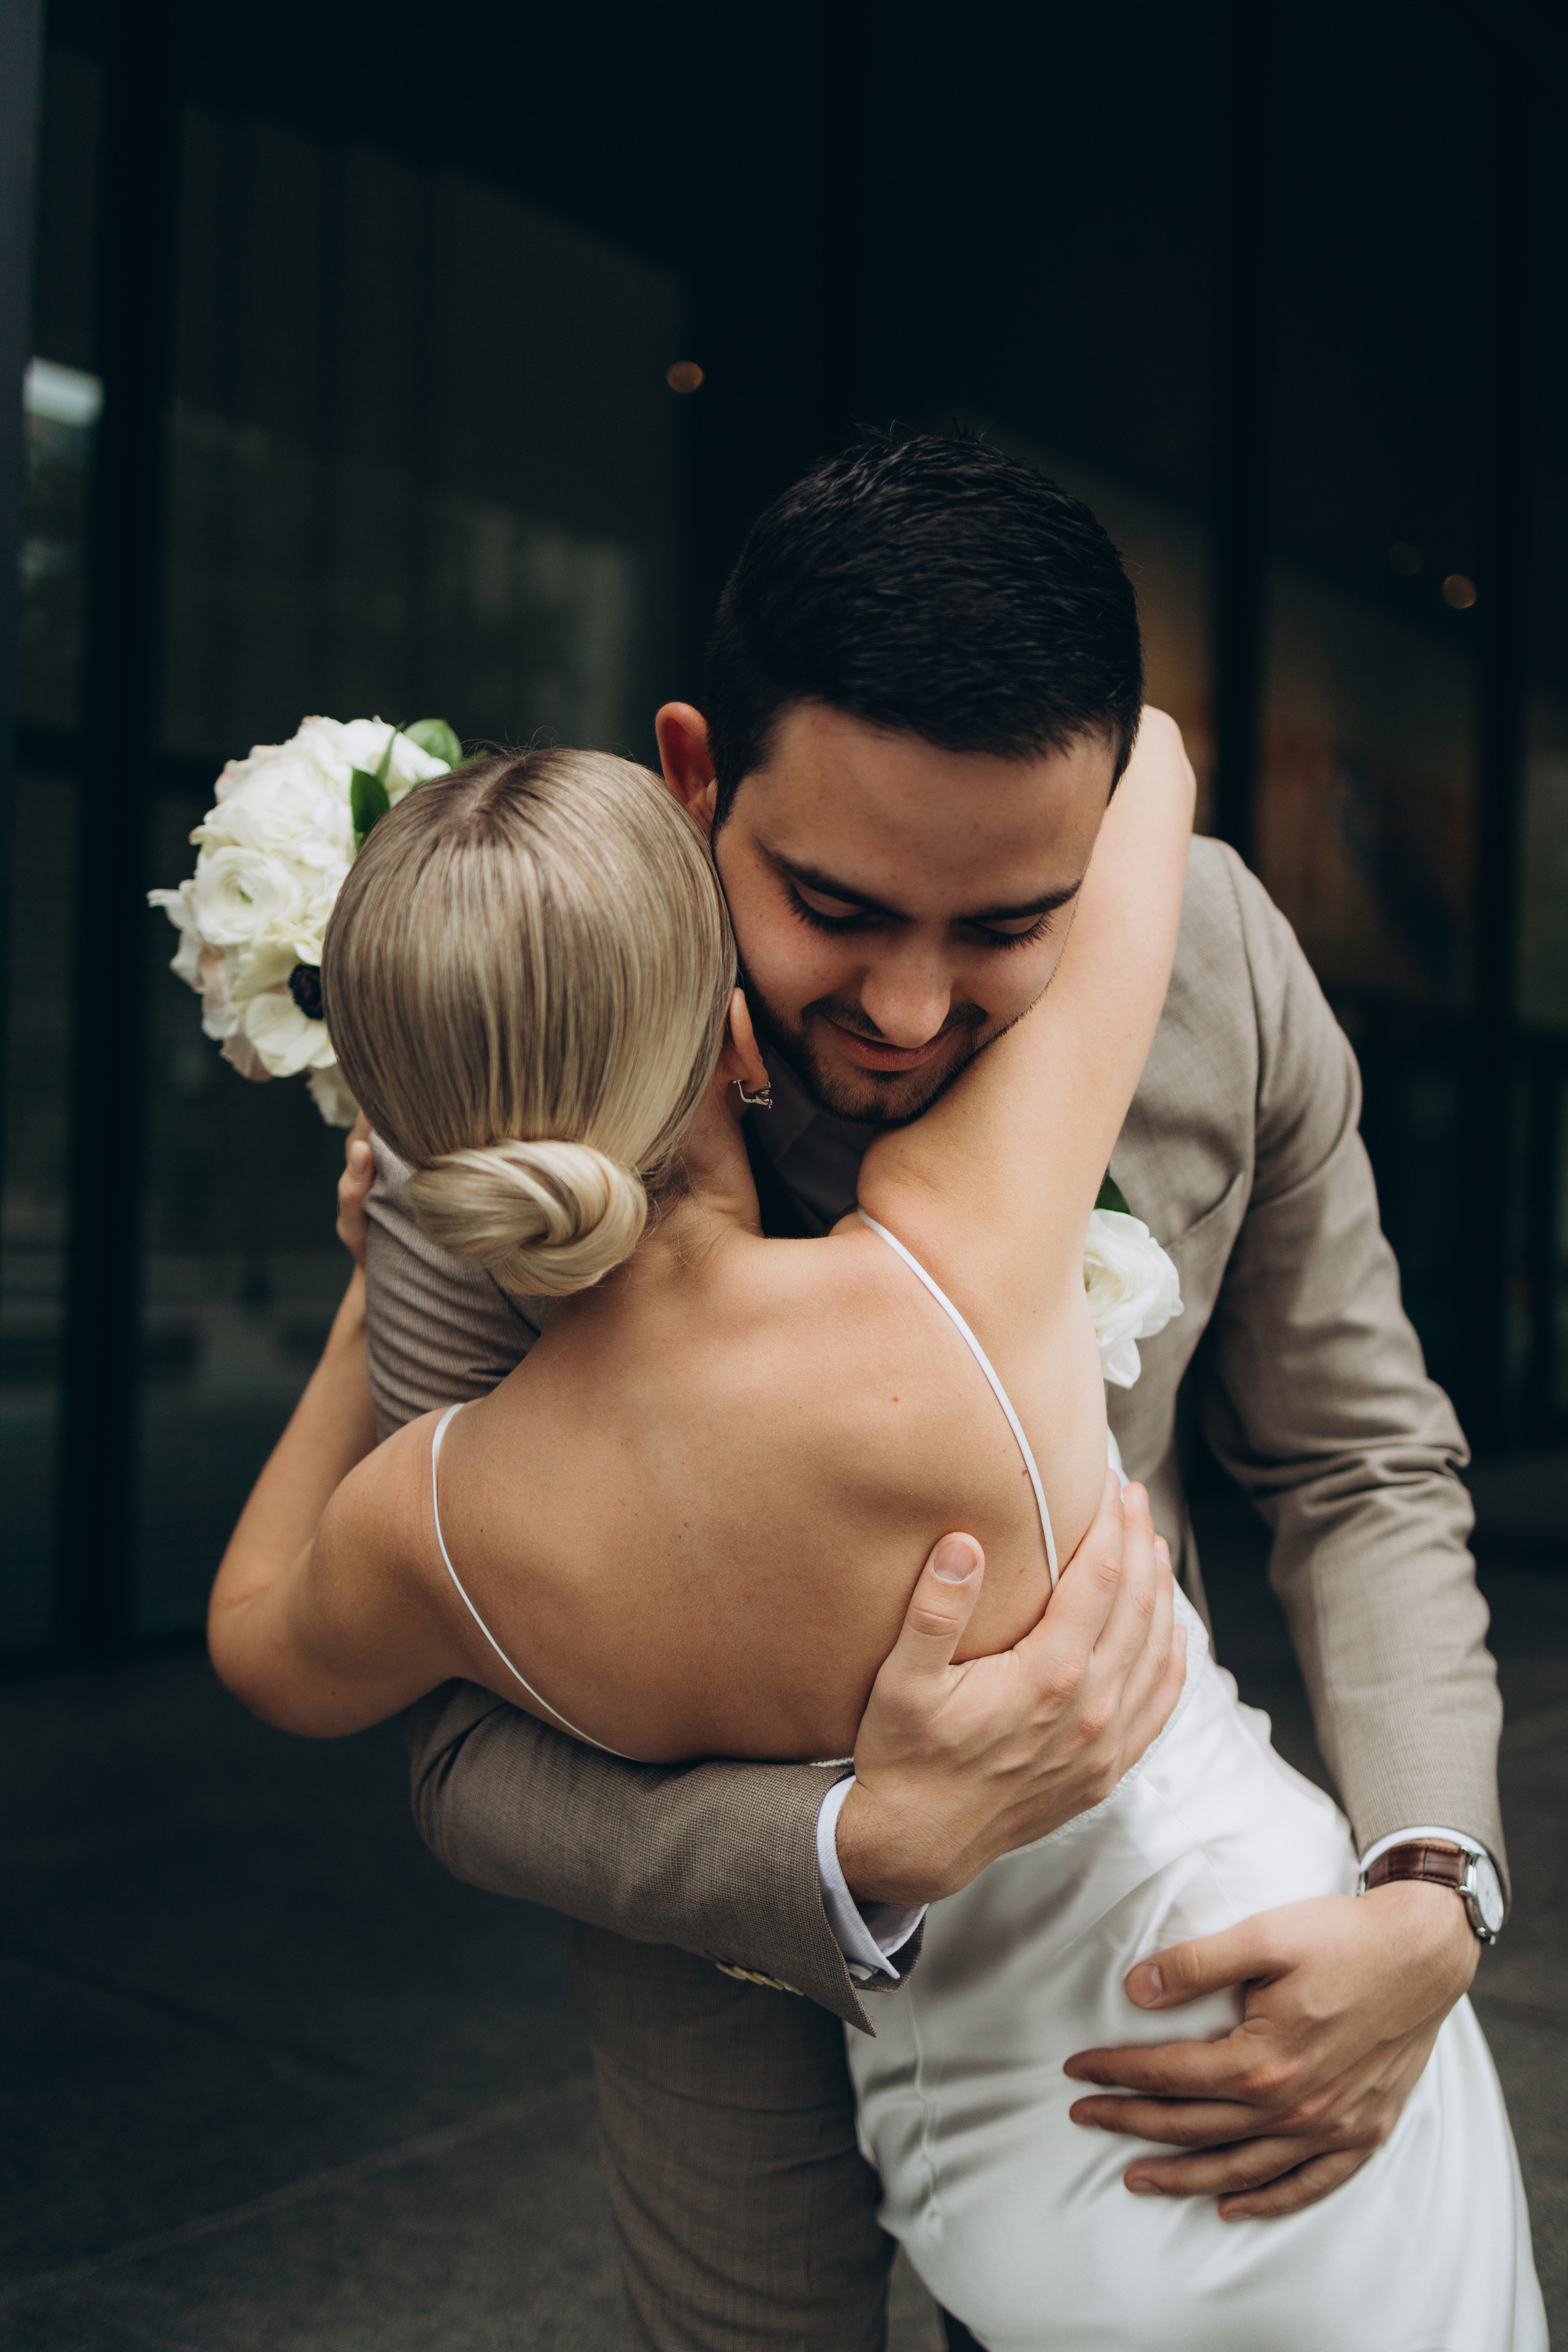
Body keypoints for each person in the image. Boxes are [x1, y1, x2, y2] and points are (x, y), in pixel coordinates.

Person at [233, 440, 1524, 2348]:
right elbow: (450, 1754)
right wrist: (846, 1858)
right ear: (695, 779)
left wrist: (1434, 1888)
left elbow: (1361, 1459)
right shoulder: (506, 1032)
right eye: (837, 906)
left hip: (1161, 1996)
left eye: (1011, 925)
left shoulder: (1218, 961)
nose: (912, 1012)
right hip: (713, 1972)